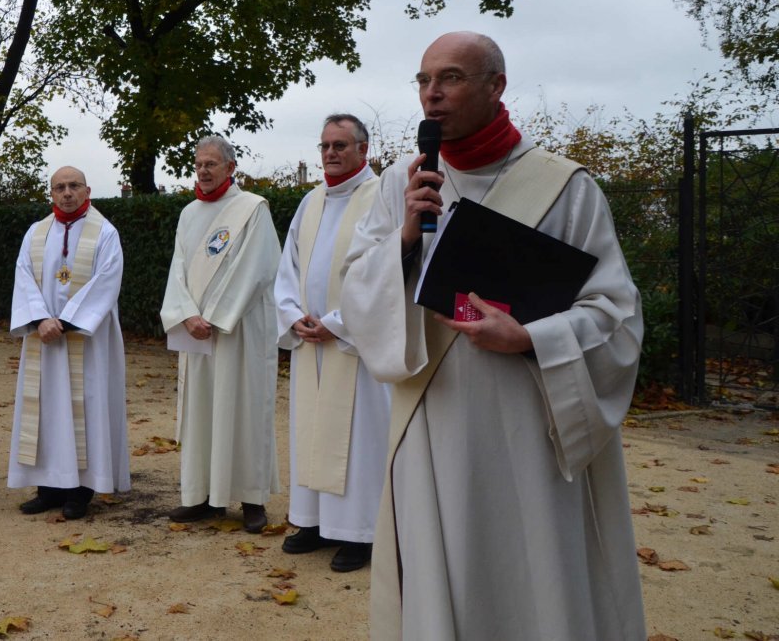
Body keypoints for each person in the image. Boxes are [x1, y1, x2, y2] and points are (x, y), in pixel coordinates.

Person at [340, 32, 646, 640]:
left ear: (495, 86)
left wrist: (534, 336)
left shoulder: (566, 187)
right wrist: (403, 238)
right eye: (423, 81)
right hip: (433, 411)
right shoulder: (399, 186)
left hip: (528, 418)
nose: (432, 95)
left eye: (450, 78)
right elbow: (353, 292)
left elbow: (617, 314)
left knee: (530, 566)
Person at [274, 115, 391, 573]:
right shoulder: (311, 200)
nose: (330, 153)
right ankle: (313, 522)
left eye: (340, 145)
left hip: (352, 346)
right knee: (311, 429)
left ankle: (360, 533)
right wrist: (293, 315)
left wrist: (340, 323)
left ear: (364, 149)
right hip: (310, 341)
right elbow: (290, 266)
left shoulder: (381, 197)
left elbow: (385, 274)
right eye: (324, 145)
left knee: (359, 439)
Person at [160, 135, 281, 533]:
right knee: (202, 411)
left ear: (231, 168)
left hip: (239, 330)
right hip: (197, 334)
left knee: (244, 408)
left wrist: (213, 316)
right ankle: (201, 497)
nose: (204, 170)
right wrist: (187, 315)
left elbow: (257, 269)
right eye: (199, 164)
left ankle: (251, 499)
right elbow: (177, 269)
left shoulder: (253, 210)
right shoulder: (188, 214)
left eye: (212, 164)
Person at [7, 166, 130, 520]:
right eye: (59, 187)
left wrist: (65, 320)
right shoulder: (36, 233)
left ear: (87, 189)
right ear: (52, 193)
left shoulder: (105, 233)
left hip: (85, 341)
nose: (67, 193)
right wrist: (40, 319)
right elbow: (23, 276)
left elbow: (107, 281)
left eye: (74, 185)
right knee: (45, 408)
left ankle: (80, 491)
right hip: (43, 338)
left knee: (85, 407)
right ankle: (48, 488)